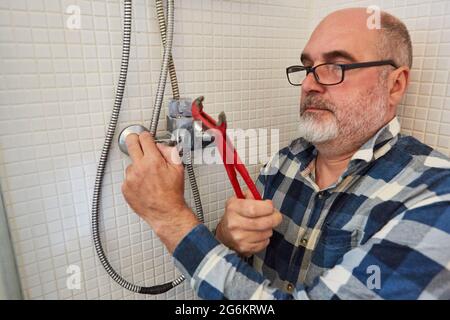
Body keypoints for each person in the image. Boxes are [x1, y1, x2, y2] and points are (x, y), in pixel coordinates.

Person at [121, 8, 450, 299]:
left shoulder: (436, 196)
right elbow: (237, 265)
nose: (309, 84)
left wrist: (169, 218)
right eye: (308, 67)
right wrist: (228, 236)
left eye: (336, 66)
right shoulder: (284, 162)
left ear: (395, 84)